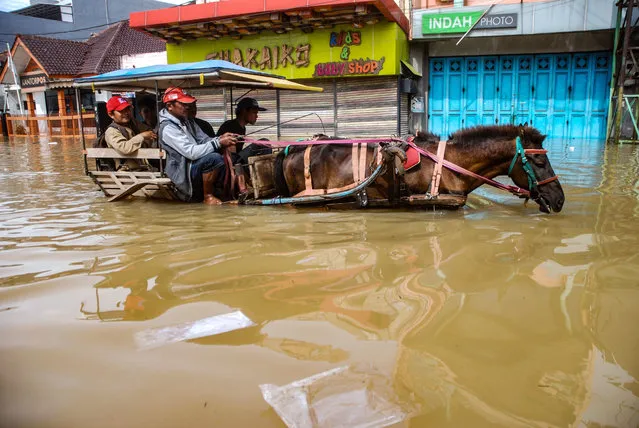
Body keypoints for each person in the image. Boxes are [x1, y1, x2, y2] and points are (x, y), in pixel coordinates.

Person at [158, 87, 238, 204]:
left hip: (193, 165)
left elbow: (204, 140)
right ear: (170, 106)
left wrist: (221, 139)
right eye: (183, 104)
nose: (187, 107)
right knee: (213, 159)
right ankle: (207, 196)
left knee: (229, 154)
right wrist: (218, 142)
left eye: (188, 104)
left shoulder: (187, 121)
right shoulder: (167, 128)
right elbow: (191, 153)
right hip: (183, 170)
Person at [104, 95, 157, 171]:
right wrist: (142, 136)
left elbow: (148, 129)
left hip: (142, 169)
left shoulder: (132, 123)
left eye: (127, 109)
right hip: (127, 171)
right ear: (111, 114)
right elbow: (124, 148)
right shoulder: (111, 131)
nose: (126, 113)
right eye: (121, 111)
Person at [217, 97, 272, 165]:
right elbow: (230, 153)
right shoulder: (230, 126)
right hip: (226, 161)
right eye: (254, 112)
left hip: (236, 157)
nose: (256, 116)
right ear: (244, 111)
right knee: (264, 142)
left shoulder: (242, 128)